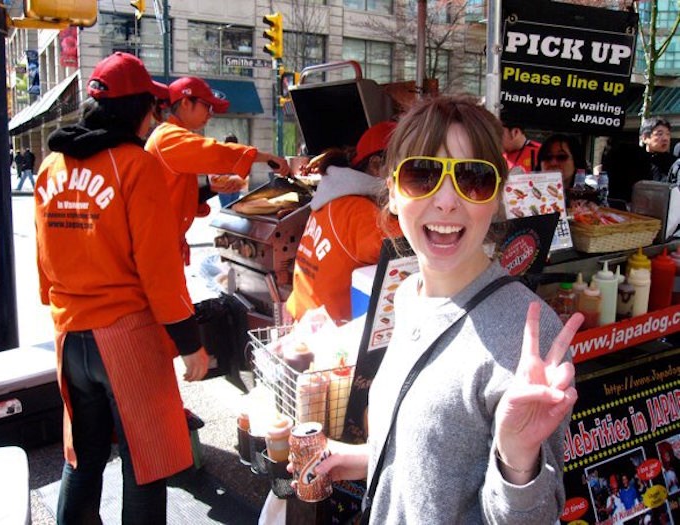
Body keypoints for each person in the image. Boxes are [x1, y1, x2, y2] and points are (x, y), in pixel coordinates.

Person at [298, 95, 583, 524]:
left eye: (472, 179)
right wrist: (364, 457)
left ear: (497, 197)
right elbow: (435, 456)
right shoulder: (409, 295)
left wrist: (518, 464)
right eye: (422, 175)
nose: (447, 201)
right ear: (392, 192)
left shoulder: (529, 333)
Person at [35, 52, 209, 524]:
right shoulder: (136, 165)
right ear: (138, 109)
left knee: (84, 457)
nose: (155, 116)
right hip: (127, 337)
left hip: (70, 335)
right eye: (153, 107)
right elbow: (159, 269)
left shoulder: (51, 165)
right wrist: (190, 343)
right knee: (145, 466)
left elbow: (44, 262)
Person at [145, 76, 289, 264]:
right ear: (187, 103)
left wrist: (210, 189)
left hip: (164, 245)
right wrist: (265, 157)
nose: (211, 114)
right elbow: (215, 153)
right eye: (207, 106)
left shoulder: (169, 135)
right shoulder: (168, 136)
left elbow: (174, 191)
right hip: (158, 249)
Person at [285, 121, 401, 323]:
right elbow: (407, 245)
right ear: (375, 165)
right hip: (331, 337)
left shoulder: (334, 197)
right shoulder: (359, 211)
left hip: (305, 320)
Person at [605, 117, 675, 202]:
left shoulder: (674, 163)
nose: (665, 138)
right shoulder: (631, 158)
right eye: (659, 134)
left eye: (668, 134)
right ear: (645, 137)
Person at [217, 133, 243, 208]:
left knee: (226, 207)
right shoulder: (239, 153)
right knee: (233, 206)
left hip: (225, 184)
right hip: (235, 183)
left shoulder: (221, 153)